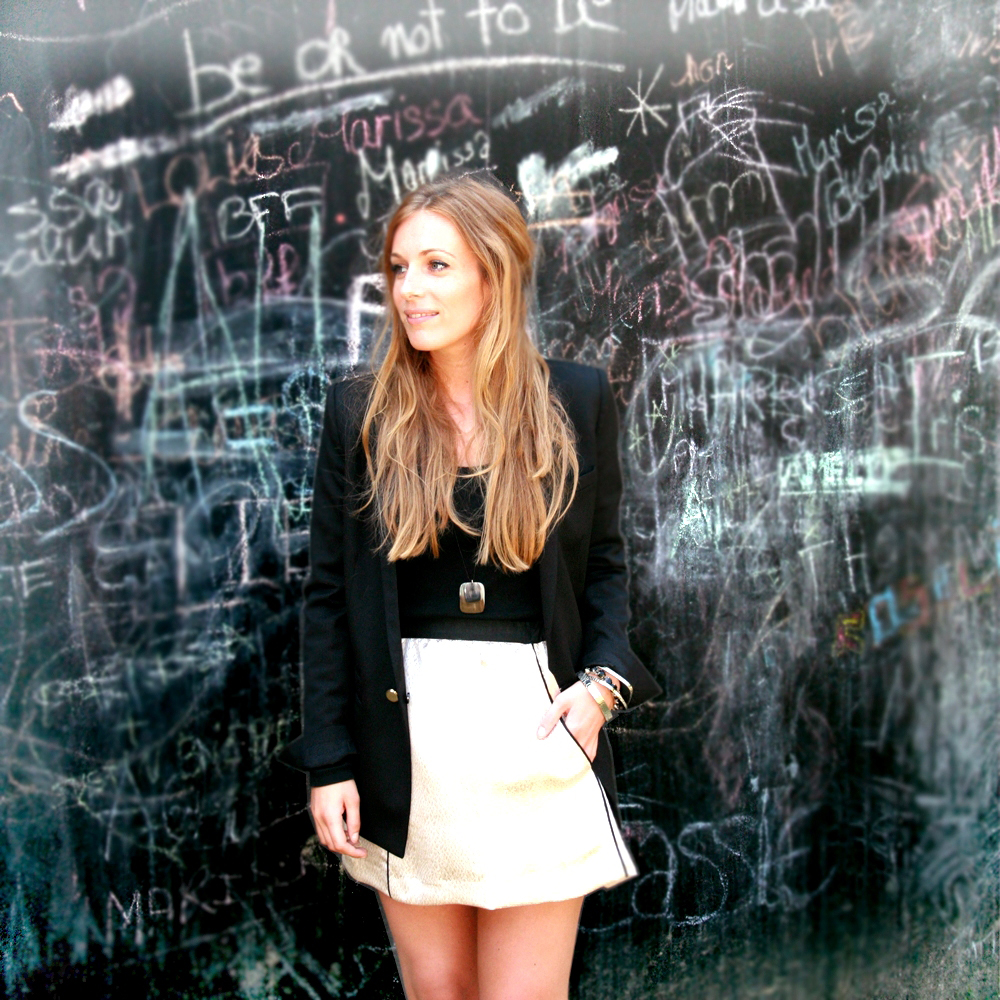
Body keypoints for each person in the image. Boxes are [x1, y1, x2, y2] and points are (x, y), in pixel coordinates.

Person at [280, 172, 660, 1000]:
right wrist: (329, 761)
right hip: (405, 749)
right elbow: (328, 598)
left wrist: (602, 688)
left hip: (536, 730)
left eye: (436, 266)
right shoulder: (361, 413)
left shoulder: (575, 398)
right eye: (398, 268)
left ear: (494, 275)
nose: (409, 289)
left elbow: (603, 563)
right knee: (441, 992)